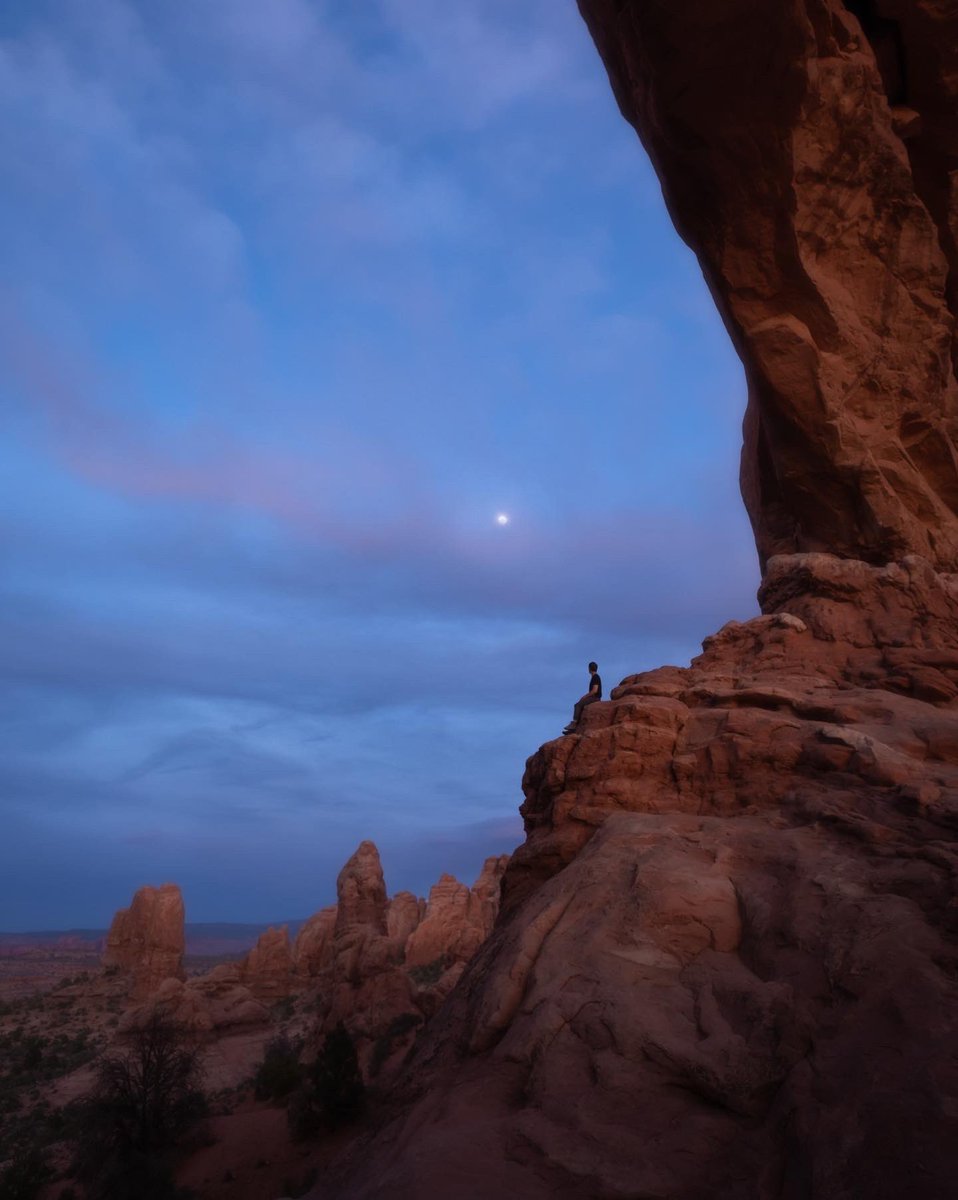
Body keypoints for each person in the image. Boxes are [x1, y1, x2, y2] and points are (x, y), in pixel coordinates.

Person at [563, 662, 602, 734]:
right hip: (594, 697)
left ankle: (574, 724)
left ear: (589, 669)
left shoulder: (595, 677)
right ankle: (573, 730)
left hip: (595, 698)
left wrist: (584, 696)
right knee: (581, 707)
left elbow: (594, 690)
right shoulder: (595, 677)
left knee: (578, 705)